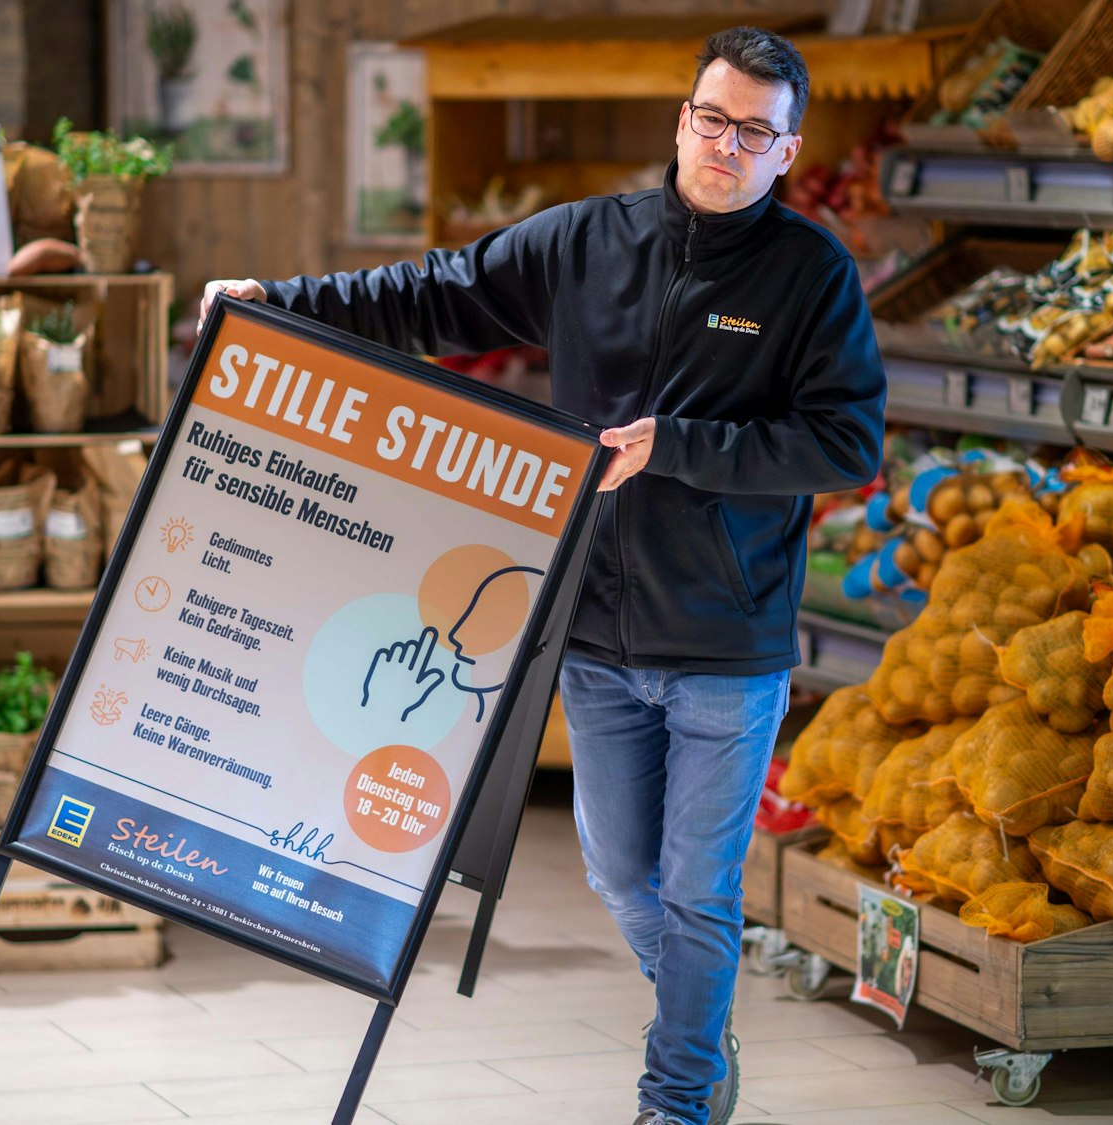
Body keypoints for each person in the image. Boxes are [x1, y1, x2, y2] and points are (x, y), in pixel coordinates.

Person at [202, 27, 885, 1125]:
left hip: (727, 641)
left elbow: (845, 445)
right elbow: (431, 294)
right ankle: (702, 1048)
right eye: (713, 119)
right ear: (682, 120)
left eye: (755, 131)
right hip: (597, 632)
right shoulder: (586, 241)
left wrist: (680, 445)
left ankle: (675, 1101)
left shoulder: (809, 277)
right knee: (622, 880)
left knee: (698, 896)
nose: (727, 144)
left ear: (787, 149)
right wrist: (276, 299)